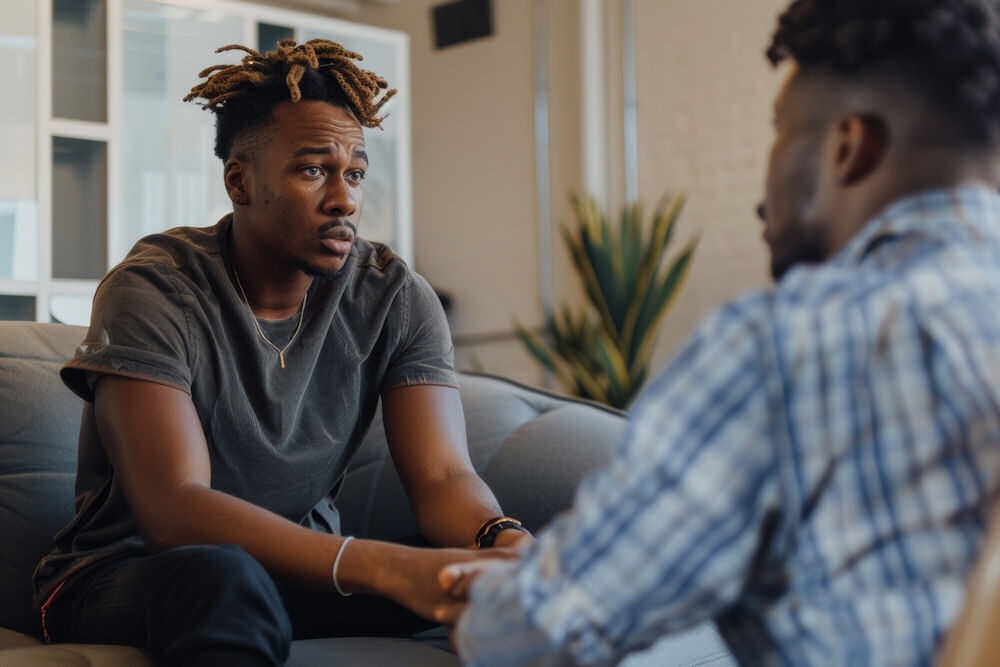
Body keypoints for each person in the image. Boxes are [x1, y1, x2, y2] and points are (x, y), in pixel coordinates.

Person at [437, 1, 1000, 664]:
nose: (763, 190)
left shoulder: (791, 344)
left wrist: (481, 605)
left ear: (849, 147)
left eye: (779, 131)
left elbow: (538, 635)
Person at [32, 38, 527, 666]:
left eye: (355, 174)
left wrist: (497, 540)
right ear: (240, 181)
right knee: (227, 582)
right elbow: (174, 509)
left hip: (300, 572)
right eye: (313, 170)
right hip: (127, 576)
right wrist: (386, 567)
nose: (344, 199)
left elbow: (443, 477)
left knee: (482, 583)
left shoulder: (393, 296)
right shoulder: (156, 287)